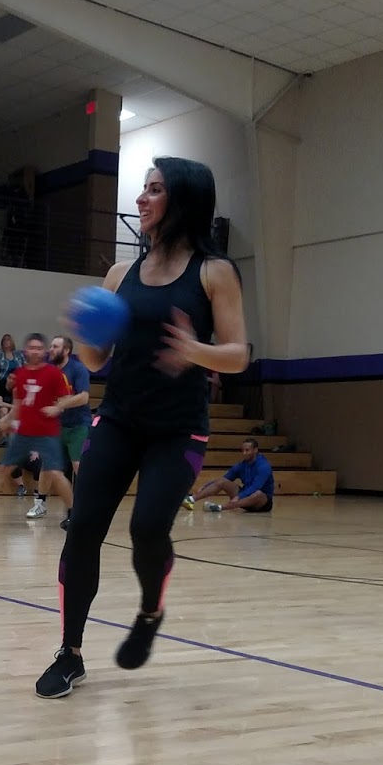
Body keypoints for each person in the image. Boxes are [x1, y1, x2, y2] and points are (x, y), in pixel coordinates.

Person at [35, 157, 250, 699]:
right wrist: (84, 333)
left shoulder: (214, 272)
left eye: (154, 189)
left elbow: (238, 354)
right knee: (83, 528)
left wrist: (195, 350)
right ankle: (70, 653)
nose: (141, 199)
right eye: (144, 188)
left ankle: (151, 610)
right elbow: (98, 360)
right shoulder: (119, 275)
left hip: (178, 431)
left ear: (182, 199)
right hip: (119, 420)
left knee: (147, 530)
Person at [0, 331, 73, 522]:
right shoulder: (20, 374)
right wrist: (7, 420)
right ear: (26, 350)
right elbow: (18, 405)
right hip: (24, 433)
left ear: (44, 351)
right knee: (4, 467)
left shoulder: (54, 374)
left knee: (55, 473)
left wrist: (57, 408)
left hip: (47, 432)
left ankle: (72, 512)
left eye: (39, 348)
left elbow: (66, 398)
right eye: (32, 348)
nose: (35, 351)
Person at [49, 333, 91, 532]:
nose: (51, 350)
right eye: (51, 346)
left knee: (78, 466)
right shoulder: (49, 372)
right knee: (56, 471)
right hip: (58, 426)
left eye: (55, 346)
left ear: (66, 350)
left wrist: (61, 404)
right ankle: (72, 511)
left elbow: (83, 397)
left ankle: (87, 512)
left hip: (78, 425)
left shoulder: (78, 369)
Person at [191, 436, 274, 513]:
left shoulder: (264, 466)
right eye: (242, 450)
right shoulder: (241, 465)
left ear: (255, 450)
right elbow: (225, 478)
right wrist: (205, 486)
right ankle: (192, 499)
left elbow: (255, 487)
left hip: (261, 503)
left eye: (247, 450)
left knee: (258, 493)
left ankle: (220, 507)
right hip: (244, 498)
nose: (244, 453)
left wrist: (238, 497)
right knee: (222, 482)